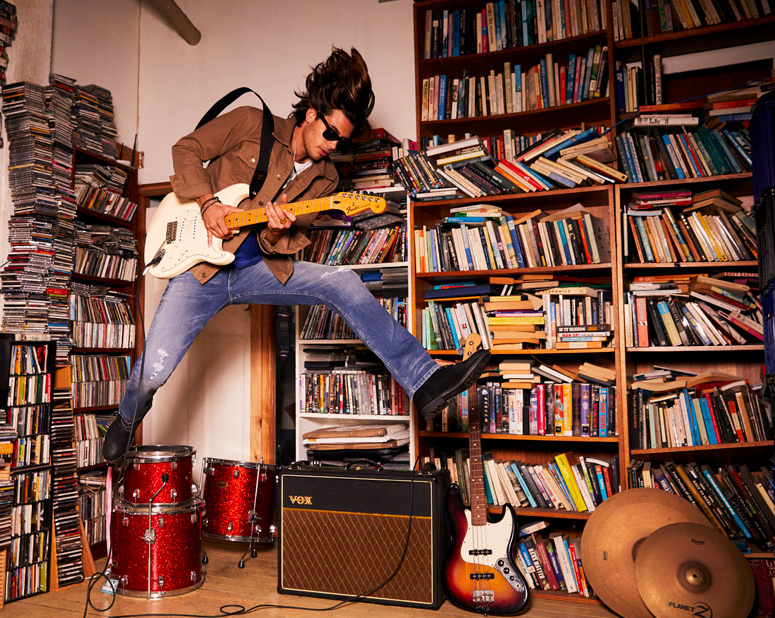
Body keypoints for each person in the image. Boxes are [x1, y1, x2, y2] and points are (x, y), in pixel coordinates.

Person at [102, 47, 490, 461]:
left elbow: (283, 245)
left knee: (342, 281)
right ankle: (126, 418)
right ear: (311, 114)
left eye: (341, 141)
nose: (332, 146)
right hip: (199, 268)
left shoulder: (326, 180)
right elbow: (186, 149)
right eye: (330, 134)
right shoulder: (251, 122)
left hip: (255, 270)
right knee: (153, 371)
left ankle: (425, 381)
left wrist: (273, 231)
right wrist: (209, 203)